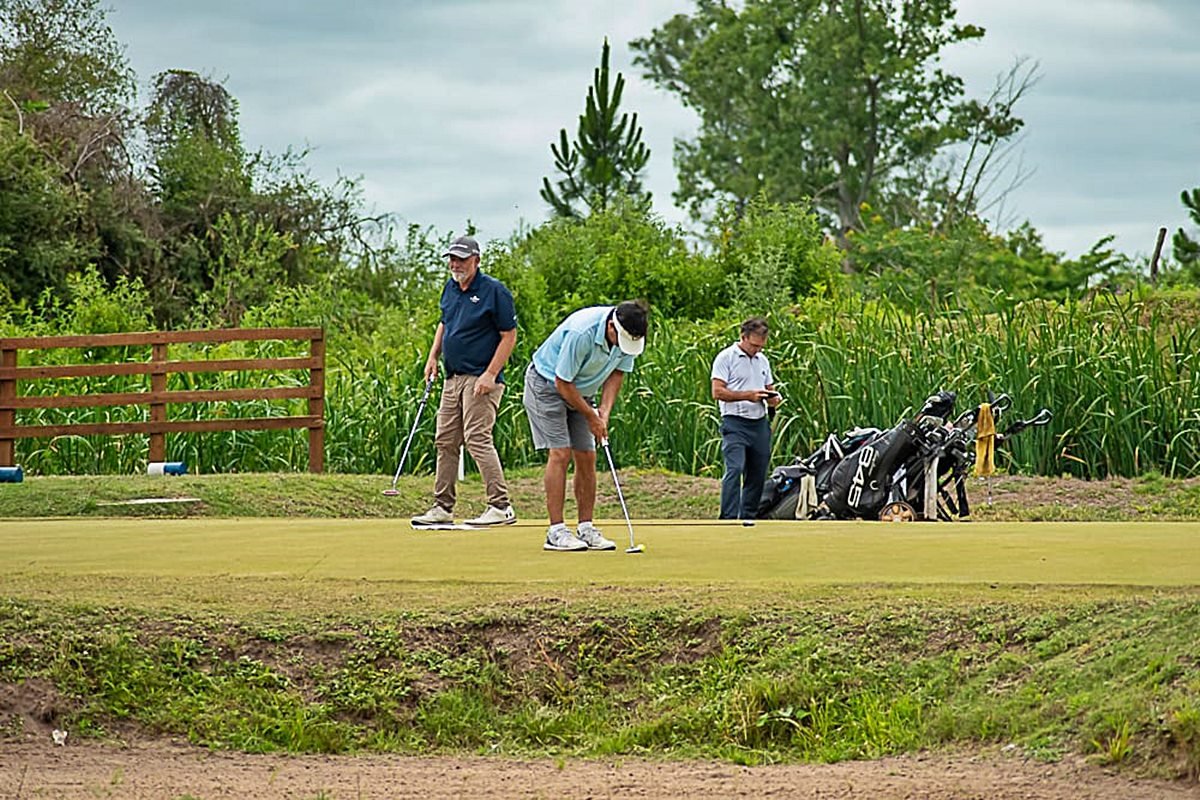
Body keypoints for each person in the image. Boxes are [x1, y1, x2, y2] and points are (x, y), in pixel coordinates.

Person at [523, 300, 648, 551]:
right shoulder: (582, 332)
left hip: (580, 392)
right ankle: (556, 531)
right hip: (547, 385)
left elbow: (617, 373)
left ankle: (586, 527)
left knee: (587, 455)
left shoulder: (627, 336)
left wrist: (604, 412)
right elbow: (562, 382)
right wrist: (591, 416)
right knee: (561, 452)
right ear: (612, 326)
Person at [411, 235, 518, 527]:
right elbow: (445, 323)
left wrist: (491, 374)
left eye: (461, 259)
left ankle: (500, 506)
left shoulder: (494, 291)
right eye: (452, 259)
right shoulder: (450, 288)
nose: (455, 264)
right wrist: (433, 357)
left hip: (482, 378)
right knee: (445, 440)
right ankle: (442, 507)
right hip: (452, 376)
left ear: (477, 260)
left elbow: (509, 336)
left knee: (477, 438)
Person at [711, 317, 781, 524]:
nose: (756, 350)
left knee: (758, 472)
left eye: (760, 346)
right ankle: (728, 518)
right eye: (753, 345)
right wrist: (747, 395)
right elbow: (717, 391)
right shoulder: (726, 358)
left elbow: (769, 388)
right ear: (743, 337)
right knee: (735, 468)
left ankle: (748, 516)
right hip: (734, 422)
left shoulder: (763, 360)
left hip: (759, 422)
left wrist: (773, 399)